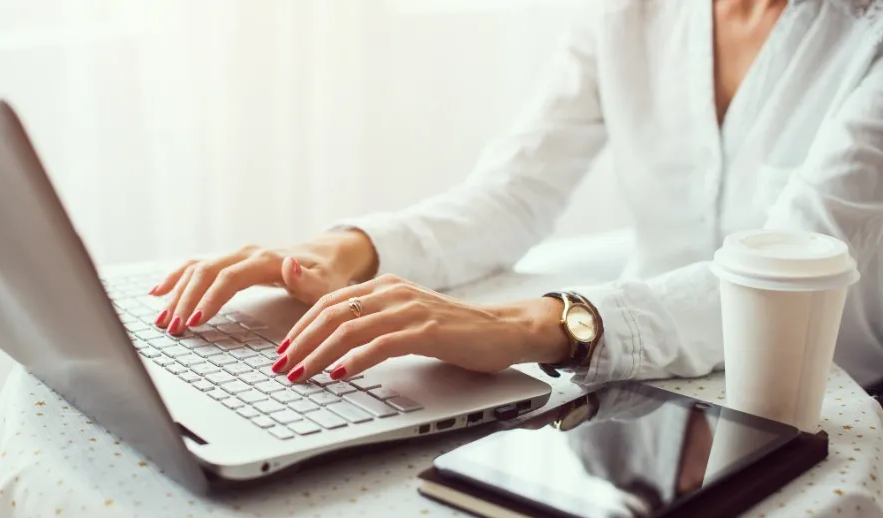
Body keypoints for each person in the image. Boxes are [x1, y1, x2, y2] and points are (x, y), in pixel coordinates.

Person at [150, 0, 883, 391]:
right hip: (644, 396)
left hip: (826, 404)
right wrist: (344, 251)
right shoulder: (630, 13)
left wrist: (538, 325)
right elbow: (512, 192)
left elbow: (782, 286)